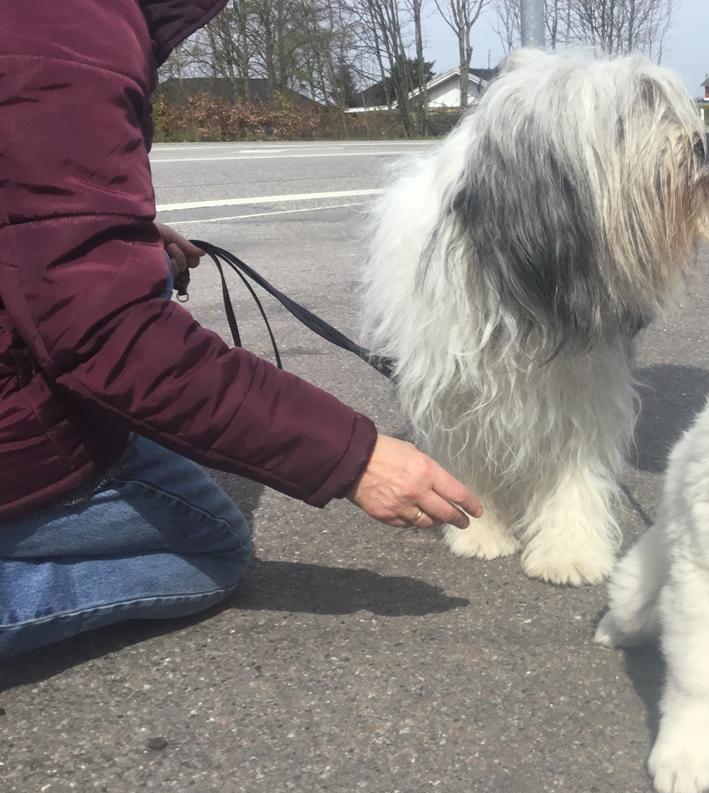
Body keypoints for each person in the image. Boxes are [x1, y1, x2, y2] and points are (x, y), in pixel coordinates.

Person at [0, 1, 482, 660]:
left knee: (147, 280)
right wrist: (354, 458)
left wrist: (114, 233)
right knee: (208, 545)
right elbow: (109, 334)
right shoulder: (65, 22)